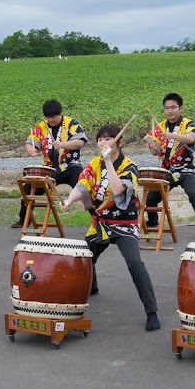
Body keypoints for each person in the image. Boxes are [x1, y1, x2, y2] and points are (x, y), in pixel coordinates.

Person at [63, 124, 161, 331]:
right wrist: (69, 201)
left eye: (108, 139)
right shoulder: (94, 164)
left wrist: (108, 162)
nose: (102, 143)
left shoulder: (129, 166)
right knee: (83, 258)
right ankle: (92, 286)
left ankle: (151, 311)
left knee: (134, 263)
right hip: (101, 223)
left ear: (120, 142)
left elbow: (117, 191)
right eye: (100, 139)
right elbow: (82, 186)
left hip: (125, 224)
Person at [11, 99, 88, 228]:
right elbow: (30, 142)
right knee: (28, 189)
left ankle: (98, 220)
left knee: (85, 188)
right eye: (48, 117)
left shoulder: (71, 124)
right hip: (50, 169)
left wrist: (63, 144)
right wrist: (32, 150)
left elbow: (80, 142)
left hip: (71, 166)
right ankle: (23, 219)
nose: (51, 120)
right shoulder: (41, 126)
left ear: (60, 113)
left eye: (54, 117)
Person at [144, 92, 195, 230]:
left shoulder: (187, 124)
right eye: (167, 108)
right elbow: (155, 152)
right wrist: (154, 148)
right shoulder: (159, 127)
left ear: (180, 108)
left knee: (193, 194)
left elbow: (191, 139)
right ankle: (153, 221)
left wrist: (172, 135)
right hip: (167, 170)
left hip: (186, 169)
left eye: (173, 107)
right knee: (150, 198)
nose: (170, 111)